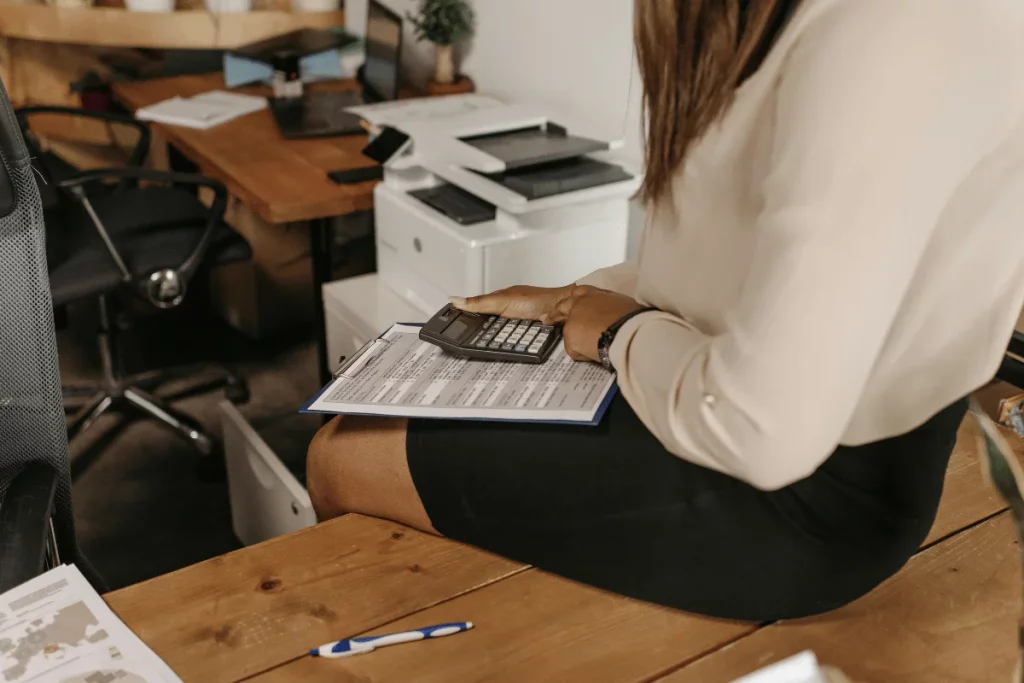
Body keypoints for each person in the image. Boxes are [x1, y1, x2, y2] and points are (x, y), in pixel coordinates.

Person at [306, 0, 1024, 621]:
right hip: (715, 381)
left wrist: (618, 330)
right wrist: (573, 303)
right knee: (374, 421)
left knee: (341, 458)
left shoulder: (885, 42)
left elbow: (764, 431)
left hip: (800, 493)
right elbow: (756, 261)